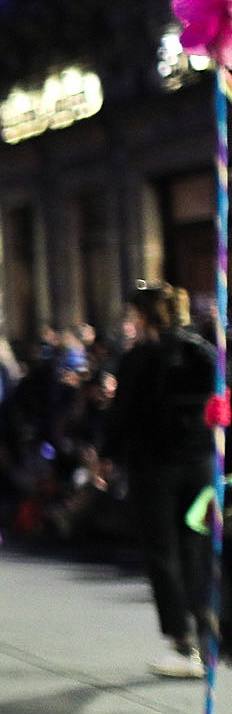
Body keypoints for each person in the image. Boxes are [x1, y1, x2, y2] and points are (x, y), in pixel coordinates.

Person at [105, 282, 217, 678]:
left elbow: (122, 415)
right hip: (200, 463)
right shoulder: (202, 353)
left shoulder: (140, 359)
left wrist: (106, 455)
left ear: (145, 317)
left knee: (162, 552)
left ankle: (183, 642)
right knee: (197, 549)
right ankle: (206, 634)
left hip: (155, 467)